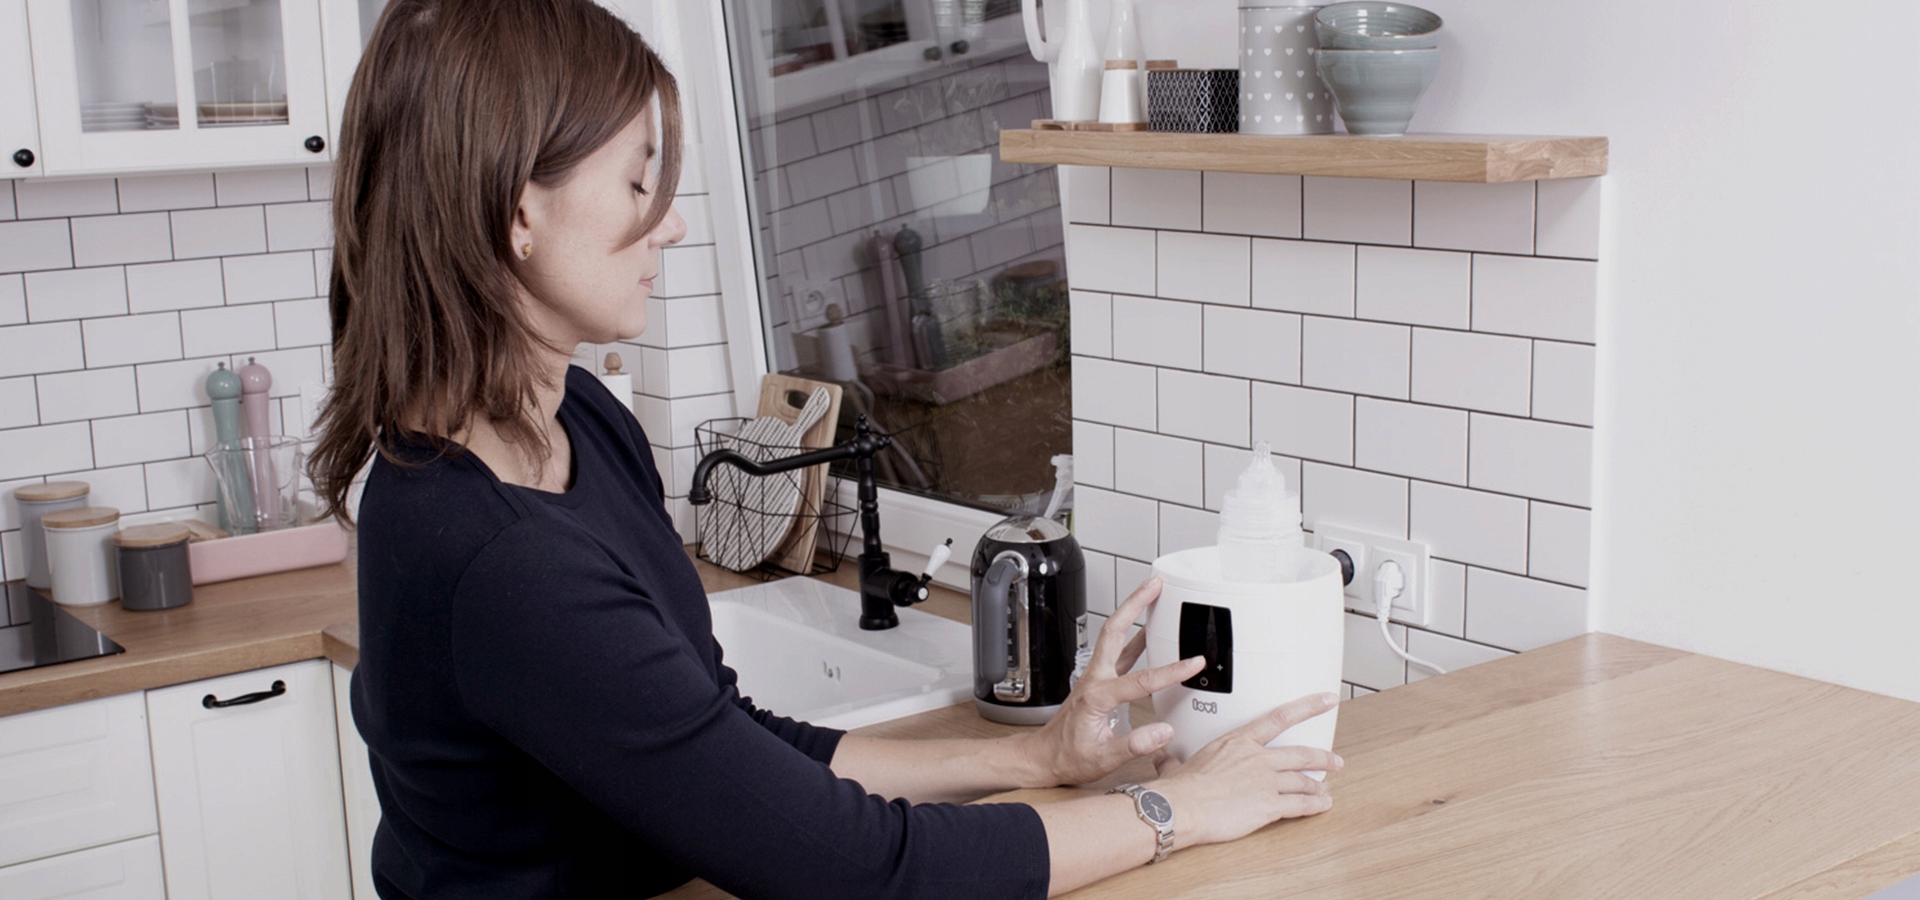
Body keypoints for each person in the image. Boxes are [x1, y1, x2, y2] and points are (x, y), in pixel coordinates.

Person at [309, 0, 1342, 897]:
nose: (669, 224)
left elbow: (730, 749)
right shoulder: (500, 558)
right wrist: (1177, 811)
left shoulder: (576, 421)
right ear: (517, 210)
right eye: (636, 182)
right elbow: (852, 870)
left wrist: (1035, 762)